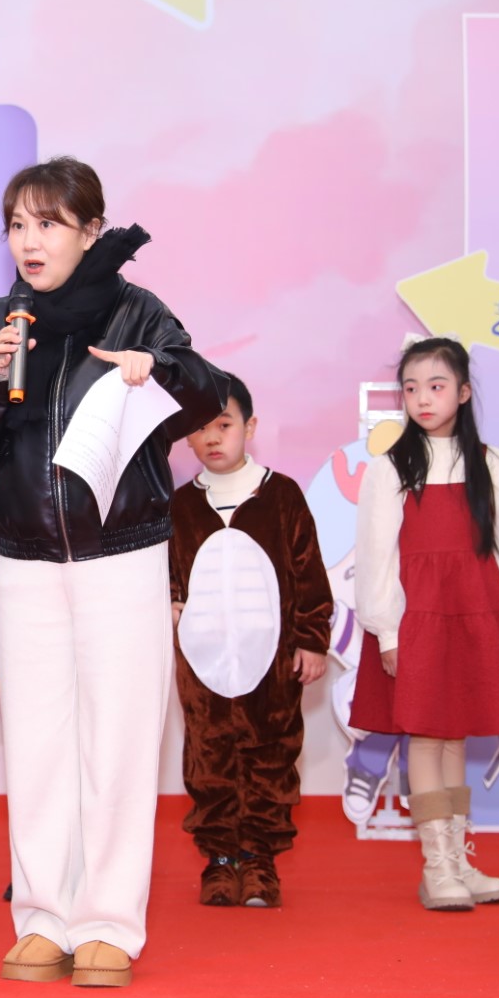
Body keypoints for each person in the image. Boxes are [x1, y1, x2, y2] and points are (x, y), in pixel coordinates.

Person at [0, 156, 222, 986]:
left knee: (120, 742)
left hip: (121, 554)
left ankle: (108, 924)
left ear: (92, 230)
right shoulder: (1, 321)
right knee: (36, 746)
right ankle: (43, 917)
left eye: (48, 224)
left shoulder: (138, 311)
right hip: (26, 558)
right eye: (16, 226)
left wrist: (156, 371)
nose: (29, 242)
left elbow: (207, 395)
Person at [349, 336, 499, 911]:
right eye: (411, 389)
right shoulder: (390, 469)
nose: (423, 399)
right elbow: (377, 556)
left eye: (436, 386)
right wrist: (388, 631)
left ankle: (457, 861)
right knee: (428, 736)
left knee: (455, 736)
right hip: (418, 620)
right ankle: (437, 867)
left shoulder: (492, 464)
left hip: (475, 615)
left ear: (463, 392)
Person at [169, 373, 332, 908]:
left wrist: (311, 639)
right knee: (209, 754)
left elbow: (309, 572)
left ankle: (259, 859)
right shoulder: (179, 505)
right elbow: (167, 573)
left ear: (249, 427)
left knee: (270, 753)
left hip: (273, 658)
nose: (213, 437)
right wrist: (171, 602)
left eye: (224, 425)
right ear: (186, 437)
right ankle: (220, 858)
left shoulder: (280, 494)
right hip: (202, 659)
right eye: (200, 428)